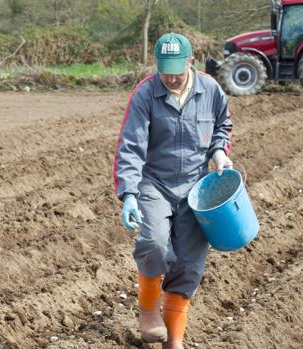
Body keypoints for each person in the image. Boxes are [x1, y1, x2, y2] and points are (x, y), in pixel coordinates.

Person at [113, 32, 233, 349]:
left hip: (195, 186)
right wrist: (129, 194)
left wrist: (219, 151)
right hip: (155, 182)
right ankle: (149, 312)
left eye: (176, 70)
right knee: (152, 242)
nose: (170, 77)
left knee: (189, 264)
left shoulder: (210, 89)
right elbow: (130, 147)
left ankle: (174, 340)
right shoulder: (145, 94)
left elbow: (223, 124)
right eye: (164, 69)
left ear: (190, 62)